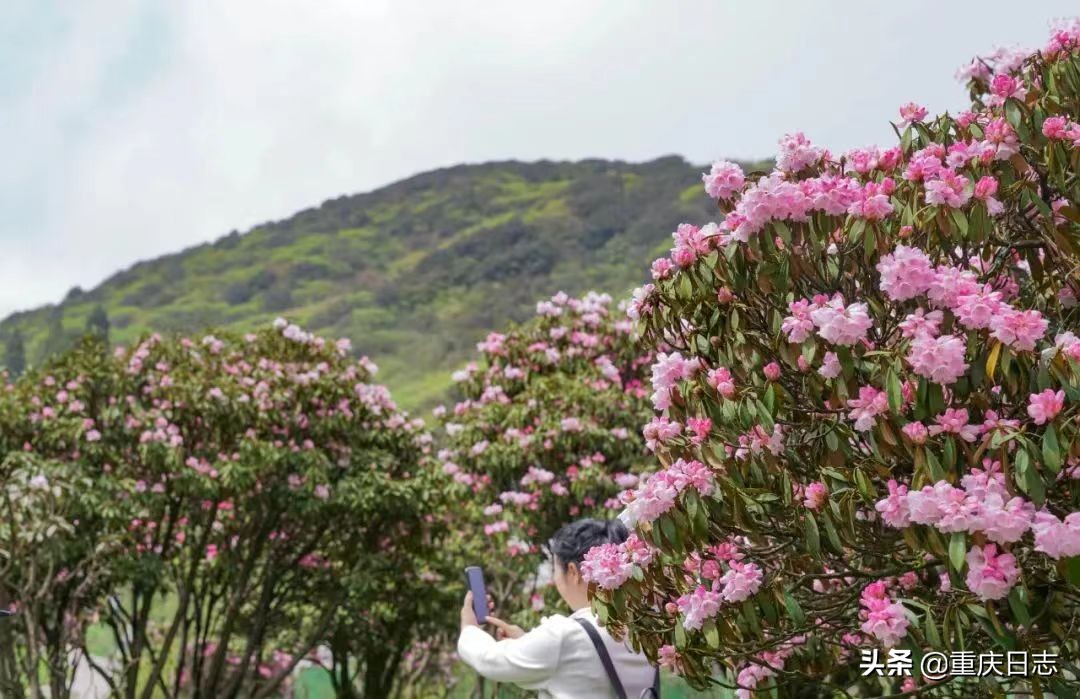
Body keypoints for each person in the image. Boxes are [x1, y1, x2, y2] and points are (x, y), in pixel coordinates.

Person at [457, 518, 658, 698]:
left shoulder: (564, 635)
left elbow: (490, 660)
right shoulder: (643, 626)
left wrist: (469, 629)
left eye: (555, 569)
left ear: (572, 571)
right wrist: (526, 642)